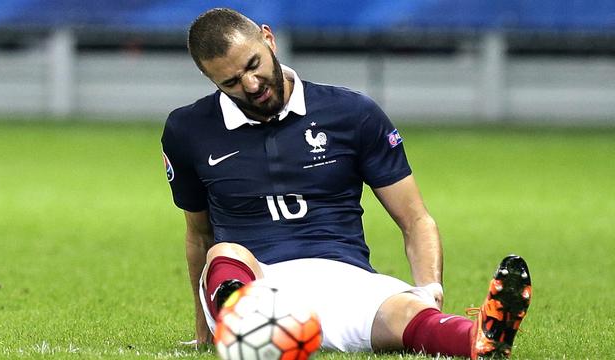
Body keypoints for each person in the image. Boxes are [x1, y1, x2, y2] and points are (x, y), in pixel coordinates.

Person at [161, 7, 532, 359]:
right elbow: (199, 236)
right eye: (231, 82)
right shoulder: (188, 130)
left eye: (253, 65)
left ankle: (482, 338)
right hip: (252, 283)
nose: (252, 84)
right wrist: (204, 330)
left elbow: (416, 219)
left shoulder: (352, 113)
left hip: (344, 279)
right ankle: (246, 326)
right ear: (211, 80)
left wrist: (429, 289)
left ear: (268, 39)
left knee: (405, 312)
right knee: (225, 254)